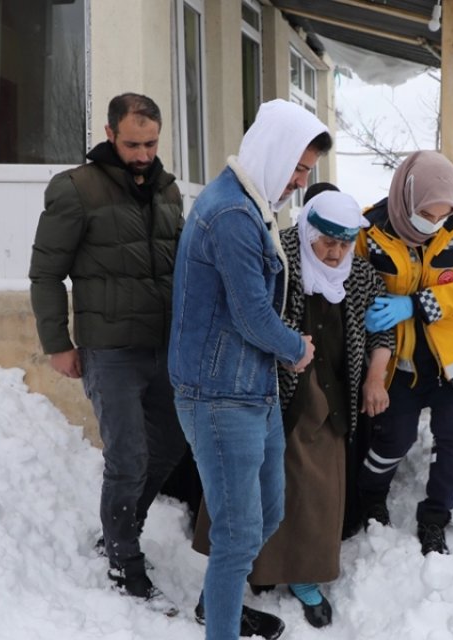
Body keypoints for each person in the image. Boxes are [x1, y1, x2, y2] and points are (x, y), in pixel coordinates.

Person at [191, 187, 393, 629]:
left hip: (329, 397)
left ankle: (304, 575)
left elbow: (383, 333)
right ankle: (223, 586)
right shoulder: (277, 258)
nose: (336, 252)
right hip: (265, 391)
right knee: (248, 488)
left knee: (315, 493)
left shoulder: (359, 275)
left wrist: (376, 376)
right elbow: (244, 311)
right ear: (308, 231)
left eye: (344, 243)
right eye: (327, 242)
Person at [169, 99, 330, 640]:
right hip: (218, 393)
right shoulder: (233, 215)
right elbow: (252, 313)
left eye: (307, 173)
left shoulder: (250, 202)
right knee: (238, 535)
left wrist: (279, 350)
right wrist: (294, 348)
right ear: (274, 153)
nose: (299, 183)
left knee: (267, 512)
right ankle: (220, 624)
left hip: (249, 387)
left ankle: (213, 604)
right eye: (298, 169)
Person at [28, 93, 189, 612]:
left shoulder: (167, 190)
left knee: (168, 447)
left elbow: (178, 268)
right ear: (109, 133)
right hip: (110, 349)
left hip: (164, 346)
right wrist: (58, 344)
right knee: (128, 455)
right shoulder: (75, 189)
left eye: (151, 144)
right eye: (132, 144)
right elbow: (47, 272)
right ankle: (124, 558)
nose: (143, 154)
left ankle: (122, 530)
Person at [355, 150, 453, 556]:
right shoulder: (372, 229)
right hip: (399, 360)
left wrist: (417, 304)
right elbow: (356, 283)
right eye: (426, 215)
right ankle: (371, 494)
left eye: (441, 216)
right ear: (407, 198)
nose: (434, 225)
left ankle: (435, 519)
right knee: (393, 439)